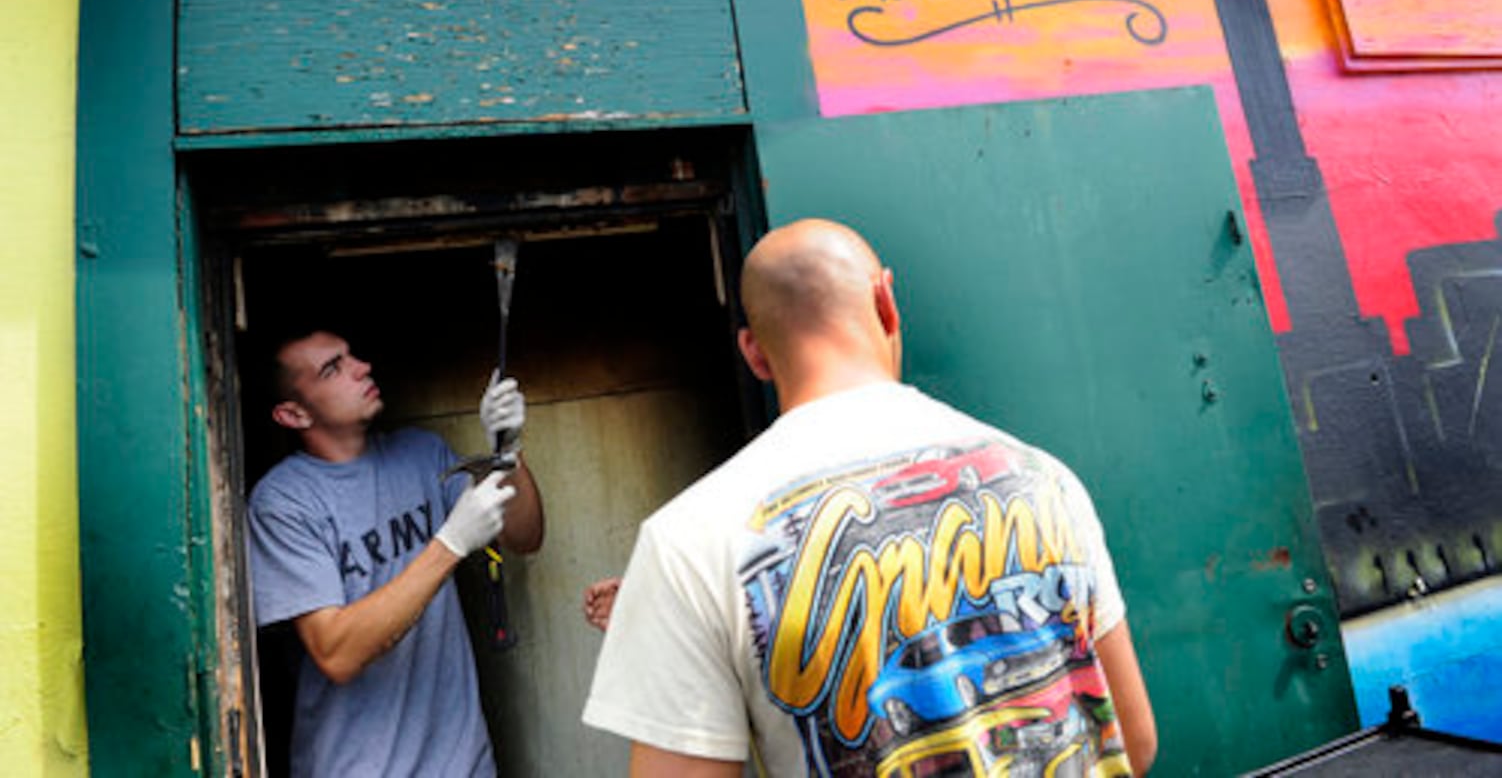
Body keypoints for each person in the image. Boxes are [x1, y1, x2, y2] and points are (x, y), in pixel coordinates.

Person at [583, 219, 1156, 776]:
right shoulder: (1042, 477)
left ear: (754, 354)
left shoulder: (688, 542)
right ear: (887, 302)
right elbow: (1133, 740)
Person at [247, 328, 544, 777]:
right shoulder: (283, 503)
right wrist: (450, 545)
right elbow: (336, 653)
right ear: (293, 414)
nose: (361, 368)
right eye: (334, 368)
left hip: (463, 763)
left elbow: (525, 535)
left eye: (352, 356)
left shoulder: (420, 453)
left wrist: (508, 450)